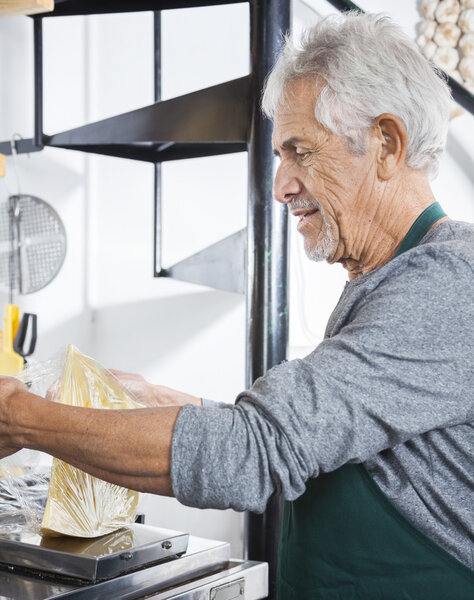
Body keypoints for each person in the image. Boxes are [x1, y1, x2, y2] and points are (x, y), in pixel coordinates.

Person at [1, 12, 473, 598]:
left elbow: (254, 451)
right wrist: (154, 398)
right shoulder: (385, 279)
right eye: (280, 155)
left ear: (386, 144)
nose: (279, 186)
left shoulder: (448, 286)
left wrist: (22, 418)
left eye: (300, 152)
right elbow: (307, 437)